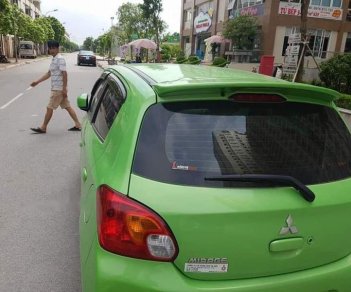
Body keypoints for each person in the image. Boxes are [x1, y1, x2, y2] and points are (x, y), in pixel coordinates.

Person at [30, 40, 81, 134]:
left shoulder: (60, 59)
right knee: (67, 106)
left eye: (54, 48)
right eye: (50, 48)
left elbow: (64, 73)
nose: (51, 50)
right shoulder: (54, 59)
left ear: (58, 48)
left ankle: (43, 127)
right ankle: (78, 124)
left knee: (49, 107)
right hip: (58, 88)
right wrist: (37, 82)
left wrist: (64, 89)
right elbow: (49, 73)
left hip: (58, 89)